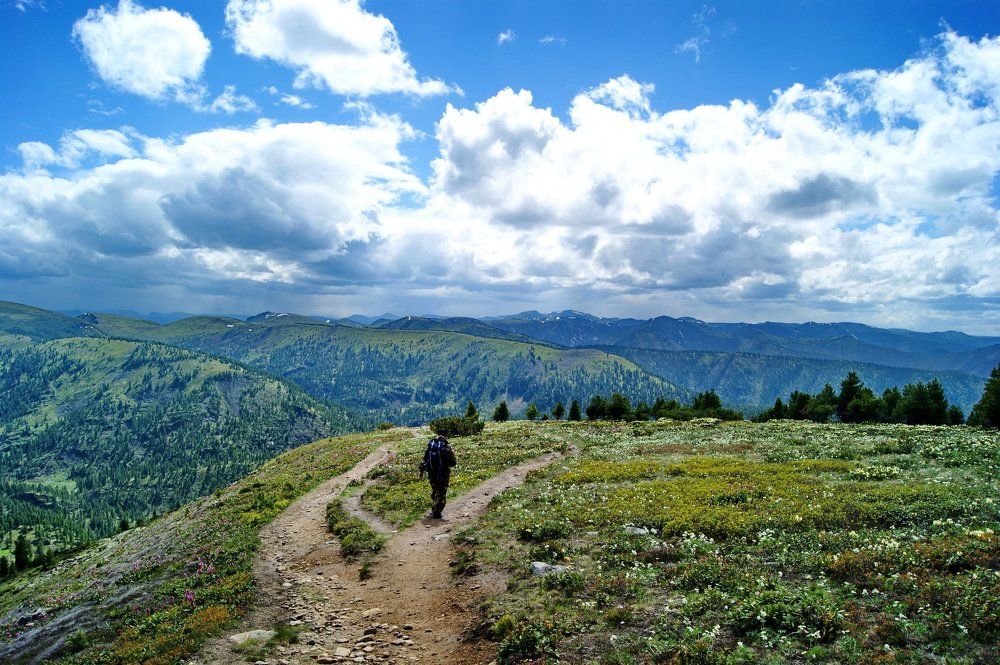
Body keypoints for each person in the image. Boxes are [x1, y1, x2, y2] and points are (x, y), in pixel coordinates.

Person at [420, 433, 457, 518]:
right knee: (442, 491)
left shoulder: (431, 446)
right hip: (443, 473)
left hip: (431, 473)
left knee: (435, 490)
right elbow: (453, 462)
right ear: (445, 436)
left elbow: (424, 459)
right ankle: (437, 511)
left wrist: (421, 471)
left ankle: (434, 508)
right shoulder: (446, 446)